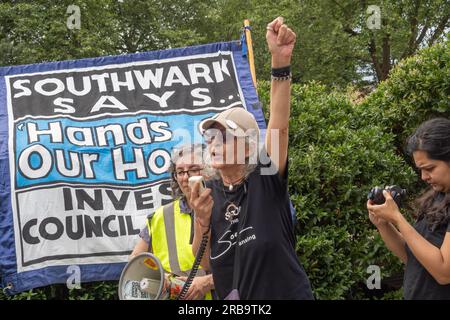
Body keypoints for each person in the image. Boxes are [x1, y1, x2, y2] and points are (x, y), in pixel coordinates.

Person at [189, 17, 313, 300]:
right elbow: (205, 262)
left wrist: (280, 61)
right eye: (211, 137)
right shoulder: (209, 193)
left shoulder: (265, 180)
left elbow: (279, 126)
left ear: (248, 148)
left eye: (225, 136)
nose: (214, 143)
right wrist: (201, 220)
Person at [367, 117, 450, 299]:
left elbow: (444, 273)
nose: (423, 177)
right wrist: (384, 223)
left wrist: (398, 218)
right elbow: (412, 257)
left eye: (430, 168)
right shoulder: (438, 197)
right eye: (420, 169)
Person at [130, 144, 214, 300]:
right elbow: (136, 265)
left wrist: (208, 282)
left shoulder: (229, 209)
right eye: (180, 172)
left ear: (210, 171)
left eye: (194, 169)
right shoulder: (160, 216)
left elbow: (250, 265)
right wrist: (164, 280)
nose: (185, 177)